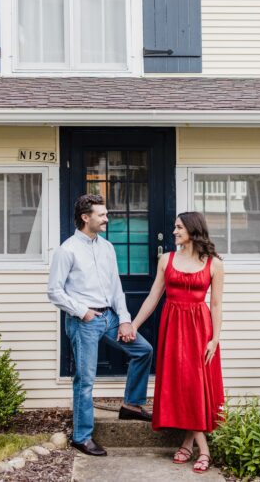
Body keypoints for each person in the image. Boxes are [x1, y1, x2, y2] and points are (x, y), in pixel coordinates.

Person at [47, 194, 154, 457]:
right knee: (85, 380)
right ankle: (82, 437)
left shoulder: (107, 247)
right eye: (102, 214)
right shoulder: (67, 250)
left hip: (111, 318)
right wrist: (83, 312)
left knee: (144, 350)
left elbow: (116, 286)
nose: (107, 218)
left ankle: (131, 405)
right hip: (84, 321)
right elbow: (54, 292)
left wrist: (125, 319)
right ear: (86, 217)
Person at [131, 211, 225, 474]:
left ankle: (191, 445)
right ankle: (200, 447)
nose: (174, 231)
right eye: (174, 227)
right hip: (173, 328)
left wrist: (214, 339)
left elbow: (216, 304)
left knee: (195, 385)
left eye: (179, 227)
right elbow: (153, 297)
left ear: (193, 230)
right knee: (181, 383)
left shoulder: (214, 264)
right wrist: (134, 325)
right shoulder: (167, 259)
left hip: (200, 330)